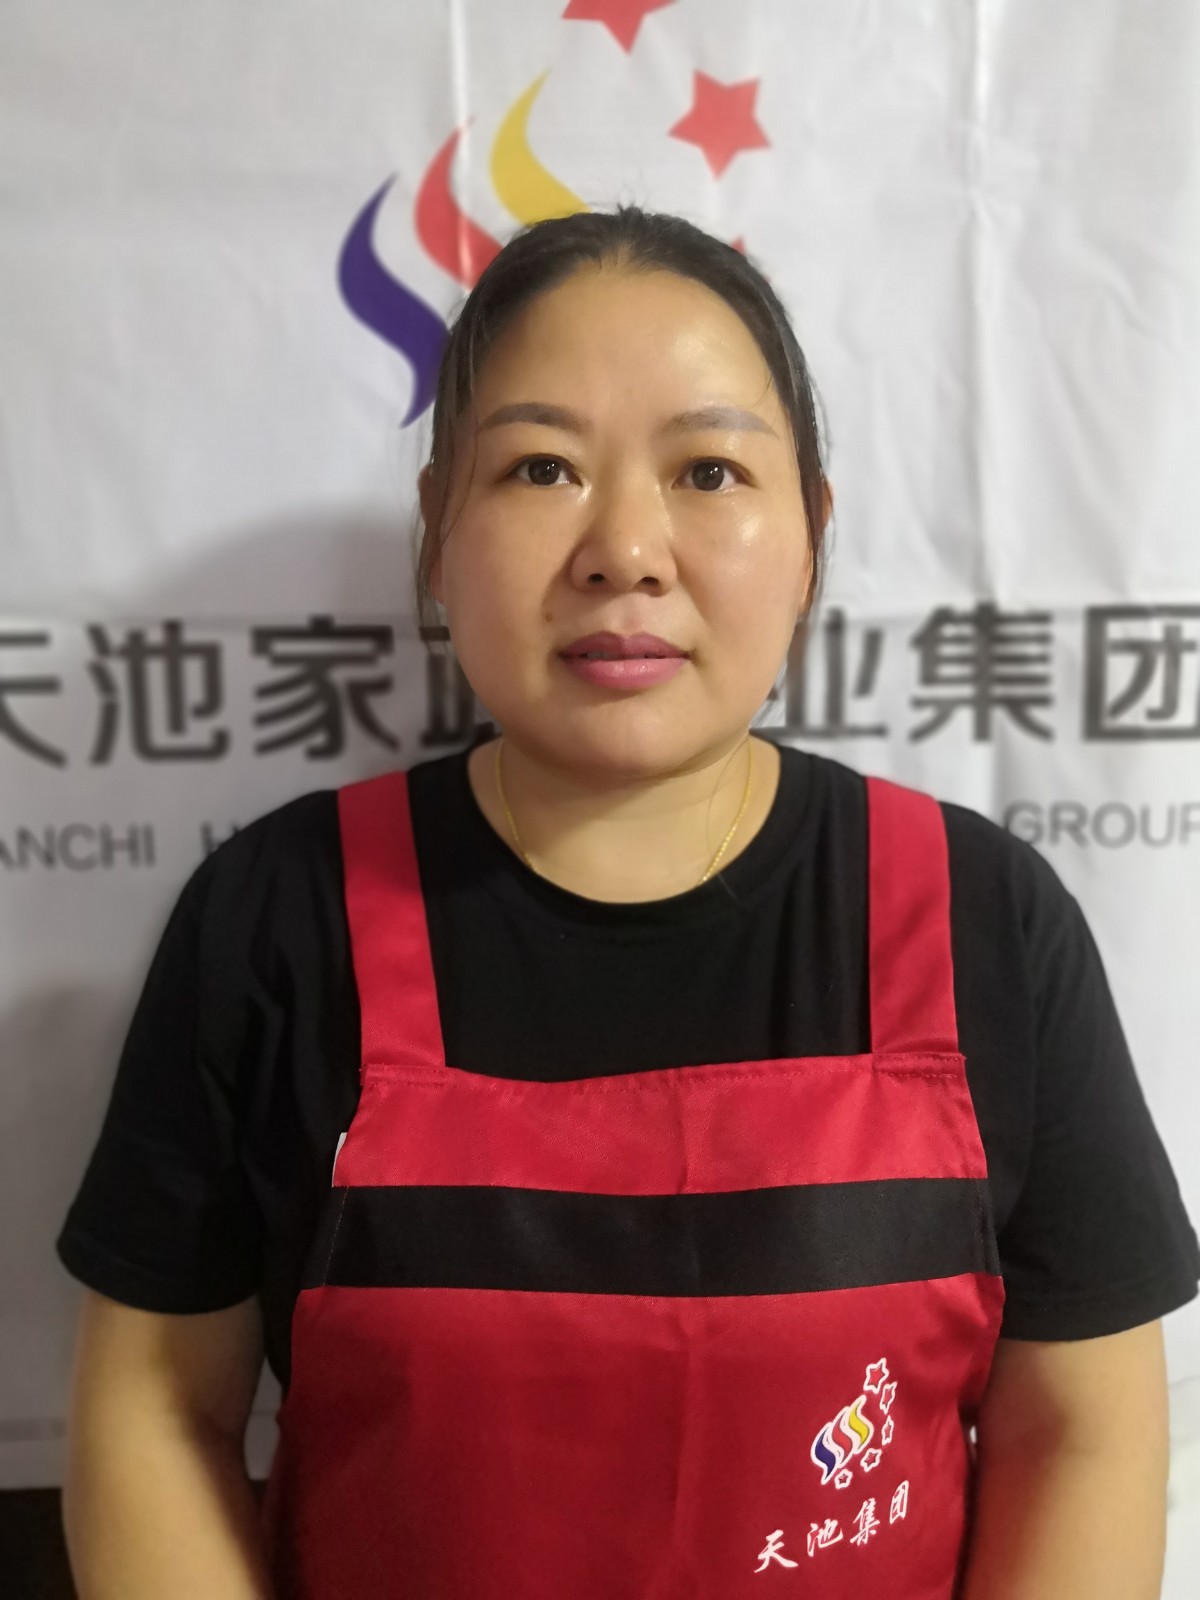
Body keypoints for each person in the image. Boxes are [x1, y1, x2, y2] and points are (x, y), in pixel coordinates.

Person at [56, 205, 1199, 1600]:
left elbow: (1080, 1432)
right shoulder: (278, 918)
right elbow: (158, 1411)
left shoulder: (979, 920)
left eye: (709, 471)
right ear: (436, 532)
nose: (626, 551)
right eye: (540, 467)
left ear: (812, 536)